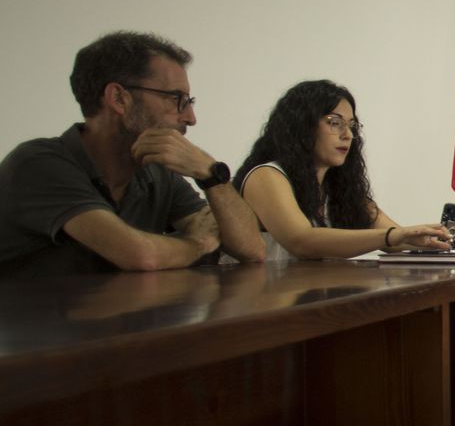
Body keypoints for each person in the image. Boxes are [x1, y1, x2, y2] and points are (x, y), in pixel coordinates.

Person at [0, 31, 265, 278]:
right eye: (176, 98)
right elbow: (141, 256)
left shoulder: (155, 171)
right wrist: (198, 244)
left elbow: (252, 250)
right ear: (118, 98)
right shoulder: (38, 164)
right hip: (33, 327)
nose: (190, 117)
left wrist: (211, 174)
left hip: (113, 325)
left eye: (189, 101)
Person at [235, 80, 449, 260]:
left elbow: (397, 240)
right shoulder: (266, 175)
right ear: (302, 125)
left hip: (311, 298)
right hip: (261, 303)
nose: (348, 135)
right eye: (334, 123)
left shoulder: (340, 187)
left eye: (351, 125)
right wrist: (394, 236)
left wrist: (431, 241)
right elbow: (302, 241)